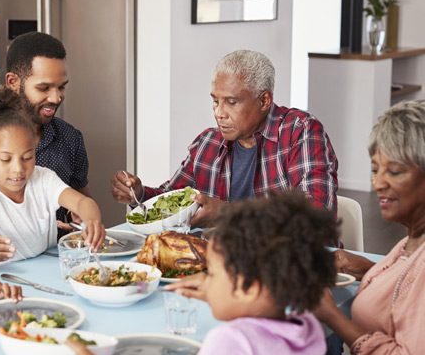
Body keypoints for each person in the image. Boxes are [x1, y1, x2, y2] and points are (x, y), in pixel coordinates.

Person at [31, 190, 339, 355]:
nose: (205, 279)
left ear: (248, 288)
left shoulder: (232, 344)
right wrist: (220, 292)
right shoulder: (306, 327)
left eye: (213, 274)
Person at [111, 49, 338, 228]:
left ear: (264, 100)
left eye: (231, 102)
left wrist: (228, 214)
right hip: (225, 267)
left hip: (294, 268)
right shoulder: (207, 144)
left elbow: (316, 216)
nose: (219, 112)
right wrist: (138, 194)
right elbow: (171, 199)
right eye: (215, 100)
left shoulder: (300, 132)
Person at [310, 100, 425, 355]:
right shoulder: (412, 242)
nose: (377, 183)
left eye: (395, 171)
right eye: (375, 169)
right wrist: (374, 269)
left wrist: (331, 314)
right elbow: (411, 293)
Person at [0, 31, 90, 262]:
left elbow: (82, 204)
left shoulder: (70, 138)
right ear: (13, 82)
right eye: (44, 88)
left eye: (61, 87)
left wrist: (80, 224)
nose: (56, 98)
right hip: (0, 266)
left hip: (55, 261)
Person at [0, 87, 105, 301]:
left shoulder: (43, 179)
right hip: (3, 281)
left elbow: (82, 202)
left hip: (47, 274)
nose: (18, 169)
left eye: (27, 157)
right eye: (6, 159)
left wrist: (92, 220)